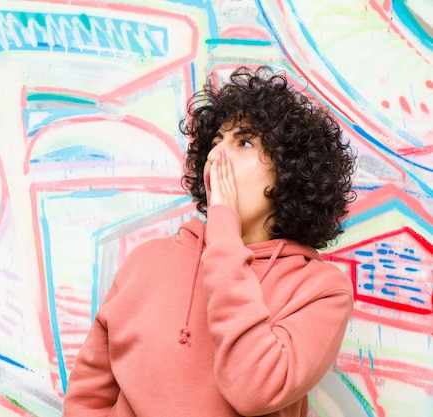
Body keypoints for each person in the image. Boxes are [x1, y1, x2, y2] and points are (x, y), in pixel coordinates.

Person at [62, 66, 357, 417]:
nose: (218, 155)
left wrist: (224, 233)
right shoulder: (146, 262)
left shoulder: (320, 289)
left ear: (289, 171)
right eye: (216, 142)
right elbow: (87, 398)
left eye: (244, 142)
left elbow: (255, 391)